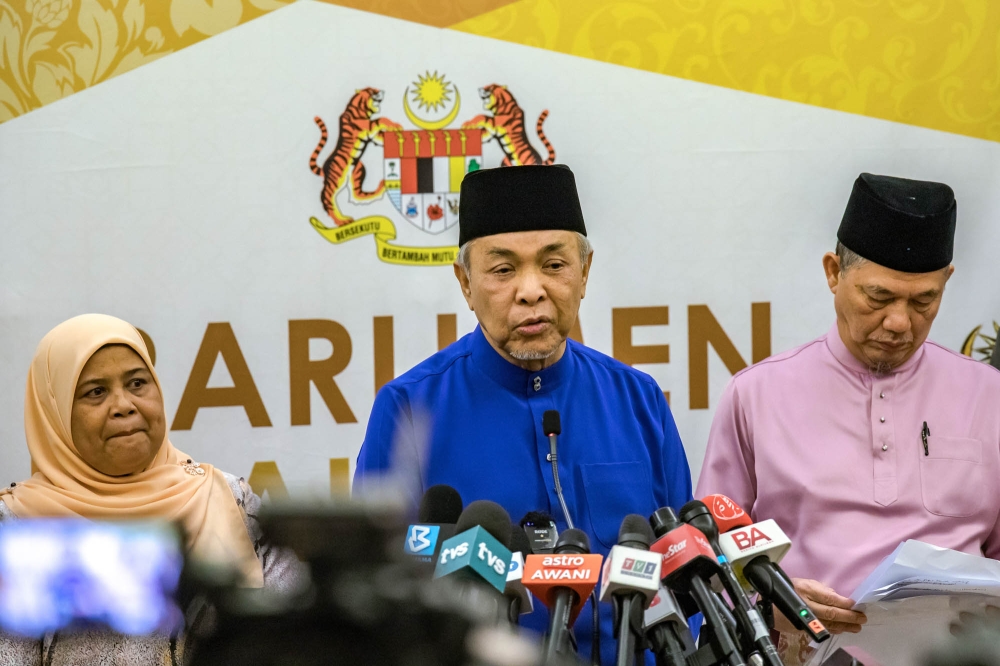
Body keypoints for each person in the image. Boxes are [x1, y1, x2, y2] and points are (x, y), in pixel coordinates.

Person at [354, 165, 693, 664]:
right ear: (465, 283)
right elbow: (376, 592)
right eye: (503, 269)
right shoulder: (409, 410)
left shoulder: (638, 400)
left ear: (585, 273)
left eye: (554, 265)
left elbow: (686, 577)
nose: (531, 290)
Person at [696, 173, 1000, 658]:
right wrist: (768, 601)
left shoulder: (990, 396)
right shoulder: (755, 395)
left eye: (924, 300)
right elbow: (707, 564)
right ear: (834, 273)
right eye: (878, 297)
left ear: (947, 283)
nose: (900, 322)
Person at [0, 314, 303, 665]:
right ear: (54, 415)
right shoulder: (17, 531)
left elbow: (299, 633)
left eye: (137, 383)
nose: (124, 405)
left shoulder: (227, 496)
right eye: (96, 392)